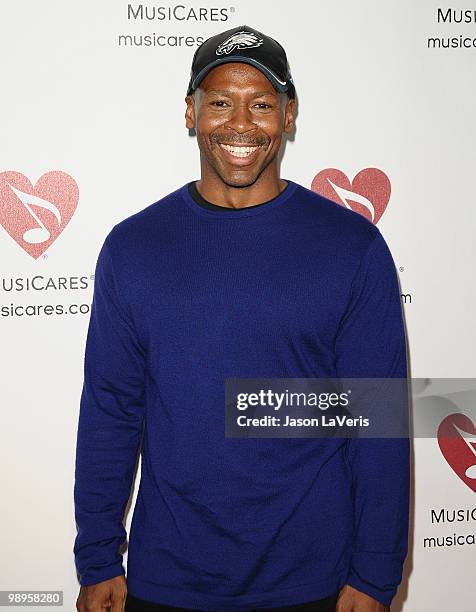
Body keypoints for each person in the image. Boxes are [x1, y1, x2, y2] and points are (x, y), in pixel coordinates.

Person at [73, 24, 410, 612]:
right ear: (190, 112)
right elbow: (110, 410)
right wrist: (98, 555)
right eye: (220, 102)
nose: (240, 124)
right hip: (166, 579)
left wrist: (377, 572)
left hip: (318, 581)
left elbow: (377, 418)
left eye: (260, 104)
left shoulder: (351, 247)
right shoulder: (133, 248)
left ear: (289, 113)